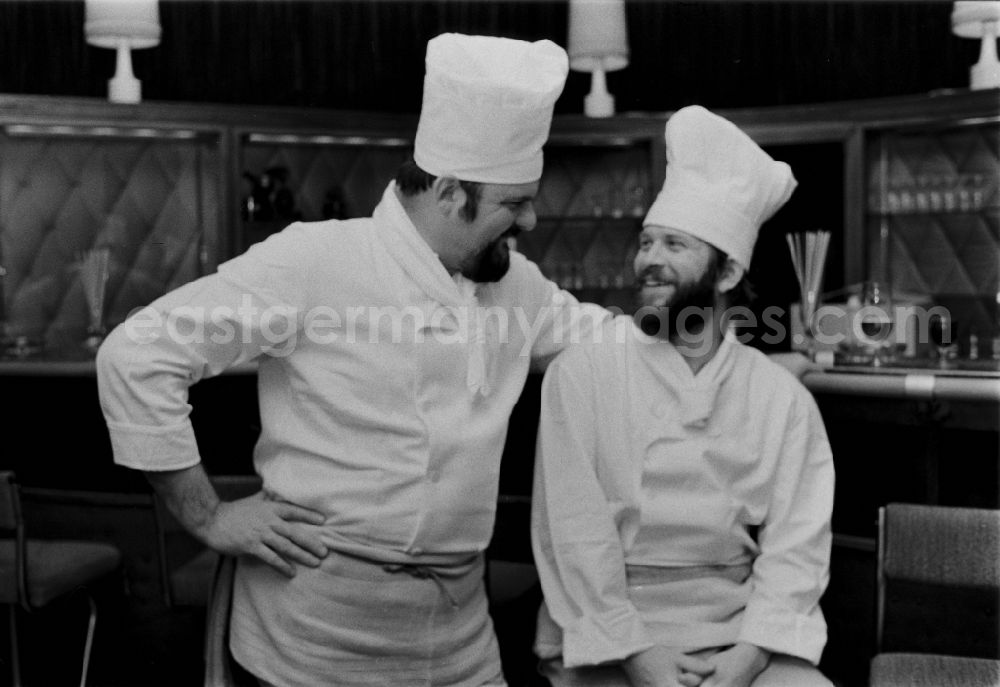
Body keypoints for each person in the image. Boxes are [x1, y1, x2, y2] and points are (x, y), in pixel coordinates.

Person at [97, 33, 611, 687]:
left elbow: (608, 340)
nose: (533, 221)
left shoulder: (517, 284)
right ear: (451, 192)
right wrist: (209, 514)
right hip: (313, 642)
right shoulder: (317, 260)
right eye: (515, 204)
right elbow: (136, 354)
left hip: (459, 642)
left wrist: (744, 357)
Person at [530, 106, 835, 687]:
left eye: (674, 244)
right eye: (646, 243)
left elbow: (797, 547)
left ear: (725, 275)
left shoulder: (781, 398)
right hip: (608, 629)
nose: (649, 260)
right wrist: (636, 654)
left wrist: (746, 660)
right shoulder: (584, 375)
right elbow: (571, 531)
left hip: (740, 631)